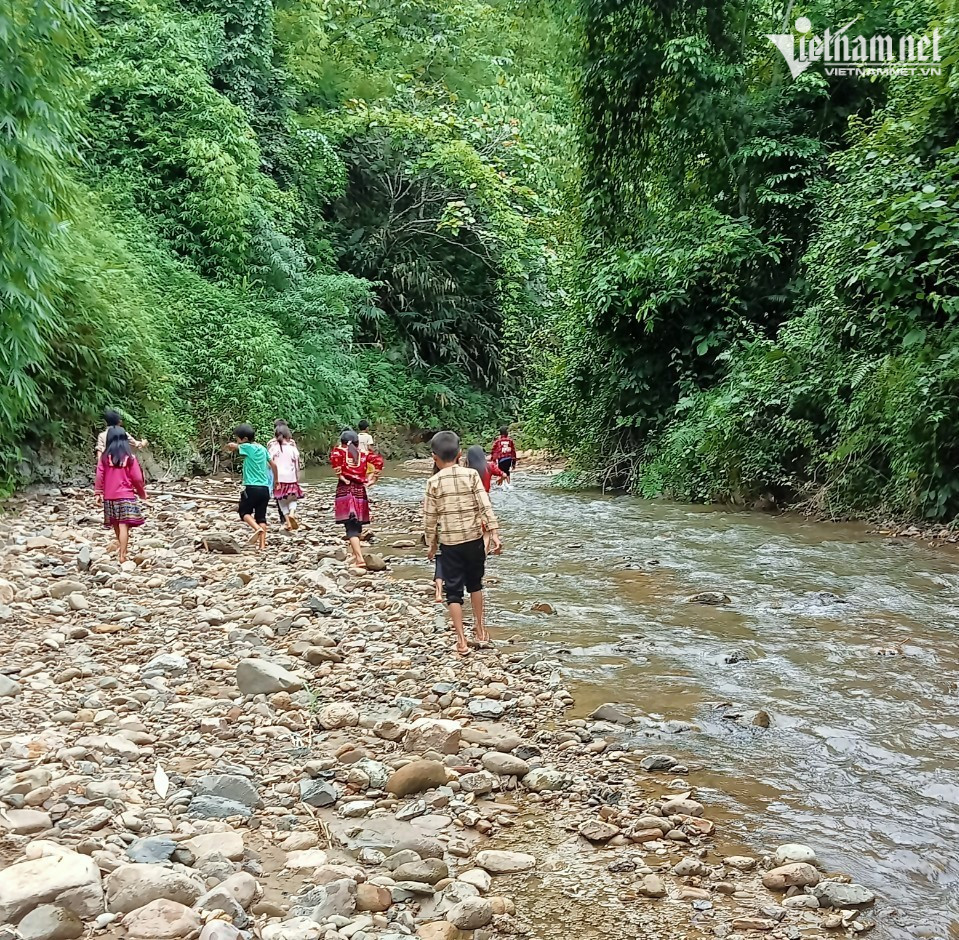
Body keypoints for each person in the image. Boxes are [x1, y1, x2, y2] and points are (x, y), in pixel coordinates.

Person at [424, 430, 502, 655]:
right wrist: (494, 532)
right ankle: (480, 627)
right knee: (475, 584)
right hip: (474, 539)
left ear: (434, 457)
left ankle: (461, 640)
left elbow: (430, 518)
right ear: (460, 454)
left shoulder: (433, 482)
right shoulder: (471, 475)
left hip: (450, 543)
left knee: (454, 593)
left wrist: (431, 544)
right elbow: (484, 504)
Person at [331, 429, 384, 567]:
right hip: (360, 490)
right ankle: (356, 556)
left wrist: (340, 476)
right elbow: (378, 461)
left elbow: (335, 462)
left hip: (345, 490)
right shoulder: (364, 454)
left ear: (342, 442)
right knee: (357, 524)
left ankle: (359, 559)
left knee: (350, 527)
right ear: (357, 442)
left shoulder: (339, 452)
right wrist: (373, 478)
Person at [95, 426, 147, 563]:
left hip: (110, 495)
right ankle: (123, 554)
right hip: (126, 495)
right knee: (124, 525)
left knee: (116, 524)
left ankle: (121, 550)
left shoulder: (105, 458)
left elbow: (99, 475)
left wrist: (98, 492)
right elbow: (137, 478)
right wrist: (141, 493)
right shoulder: (130, 458)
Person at [226, 424, 277, 551]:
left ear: (244, 439)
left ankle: (256, 528)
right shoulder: (262, 448)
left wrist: (229, 446)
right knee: (261, 516)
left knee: (244, 512)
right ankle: (262, 546)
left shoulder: (247, 447)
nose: (237, 440)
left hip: (251, 487)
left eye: (238, 438)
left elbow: (233, 446)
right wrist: (276, 481)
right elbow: (274, 465)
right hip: (265, 488)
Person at [268, 426, 303, 531]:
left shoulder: (273, 448)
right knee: (293, 499)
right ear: (288, 436)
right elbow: (297, 465)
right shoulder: (292, 448)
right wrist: (297, 477)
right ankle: (292, 513)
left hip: (279, 478)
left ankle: (288, 523)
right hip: (291, 478)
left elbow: (269, 464)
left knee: (281, 502)